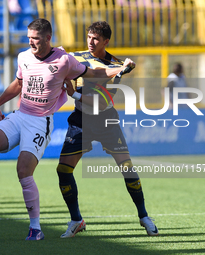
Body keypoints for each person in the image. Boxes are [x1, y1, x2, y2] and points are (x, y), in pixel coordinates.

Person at [0, 18, 135, 241]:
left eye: (35, 38)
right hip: (21, 114)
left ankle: (36, 228)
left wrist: (119, 69)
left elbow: (94, 74)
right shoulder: (24, 57)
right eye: (29, 38)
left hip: (40, 122)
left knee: (23, 170)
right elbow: (18, 84)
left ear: (47, 38)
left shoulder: (64, 61)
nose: (31, 42)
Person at [57, 21, 158, 238]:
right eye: (89, 37)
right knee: (63, 170)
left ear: (106, 41)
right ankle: (76, 220)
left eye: (96, 39)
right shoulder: (78, 57)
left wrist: (73, 94)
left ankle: (144, 216)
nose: (91, 42)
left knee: (127, 168)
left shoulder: (116, 66)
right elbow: (59, 59)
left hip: (106, 120)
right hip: (80, 119)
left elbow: (102, 103)